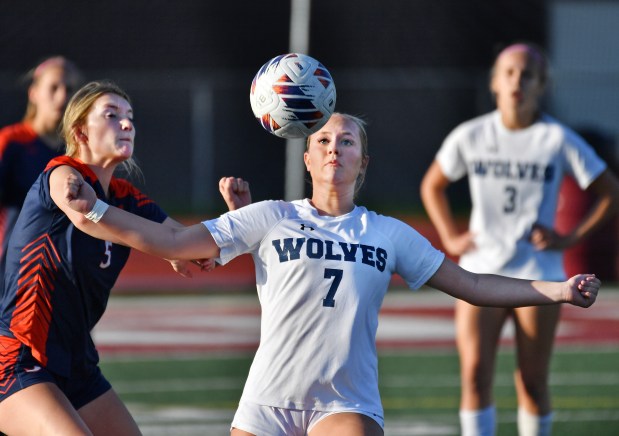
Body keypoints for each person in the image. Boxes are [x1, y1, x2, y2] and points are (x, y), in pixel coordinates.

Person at [61, 112, 599, 436]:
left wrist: (559, 290)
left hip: (345, 401)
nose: (333, 148)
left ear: (363, 162)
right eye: (322, 141)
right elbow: (172, 242)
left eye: (347, 142)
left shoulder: (387, 232)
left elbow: (474, 285)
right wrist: (95, 212)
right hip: (268, 399)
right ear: (308, 159)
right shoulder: (271, 216)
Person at [0, 80, 250, 435]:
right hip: (20, 358)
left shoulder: (125, 197)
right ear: (80, 131)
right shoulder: (62, 173)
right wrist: (171, 247)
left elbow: (185, 242)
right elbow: (83, 213)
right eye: (112, 115)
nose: (127, 124)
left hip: (77, 362)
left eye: (130, 116)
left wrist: (235, 223)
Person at [420, 42, 619, 436]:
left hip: (539, 273)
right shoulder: (471, 135)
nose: (517, 81)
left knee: (532, 381)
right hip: (479, 271)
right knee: (475, 376)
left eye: (527, 74)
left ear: (541, 84)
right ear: (495, 82)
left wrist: (570, 238)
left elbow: (610, 191)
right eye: (509, 72)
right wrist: (449, 236)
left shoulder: (557, 138)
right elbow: (433, 185)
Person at [0, 56, 84, 264]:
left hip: (58, 269)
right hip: (11, 266)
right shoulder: (12, 142)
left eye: (70, 88)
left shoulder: (80, 149)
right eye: (53, 87)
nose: (62, 96)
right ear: (34, 93)